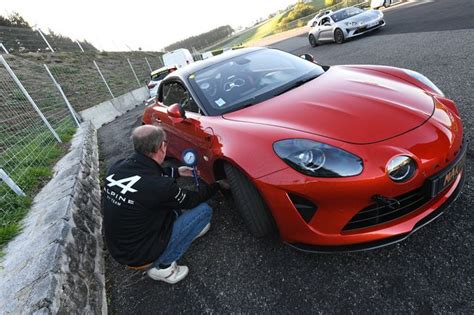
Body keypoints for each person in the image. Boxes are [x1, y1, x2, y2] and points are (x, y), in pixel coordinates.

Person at [103, 125, 227, 284]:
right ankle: (163, 267)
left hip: (120, 248)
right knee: (203, 211)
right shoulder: (160, 186)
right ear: (161, 147)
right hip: (139, 255)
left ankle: (181, 235)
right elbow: (192, 200)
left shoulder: (117, 167)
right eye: (165, 143)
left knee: (170, 205)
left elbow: (145, 175)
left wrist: (177, 172)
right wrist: (216, 185)